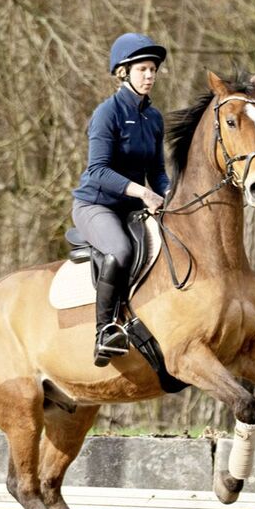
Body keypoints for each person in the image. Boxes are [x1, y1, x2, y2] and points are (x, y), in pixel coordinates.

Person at [72, 33, 170, 367]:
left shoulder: (153, 118)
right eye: (143, 68)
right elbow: (98, 171)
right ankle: (105, 331)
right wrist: (142, 192)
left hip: (131, 209)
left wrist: (167, 193)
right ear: (123, 72)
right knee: (121, 250)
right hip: (95, 205)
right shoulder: (107, 113)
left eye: (153, 69)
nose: (150, 75)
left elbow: (156, 170)